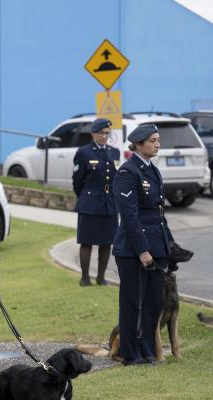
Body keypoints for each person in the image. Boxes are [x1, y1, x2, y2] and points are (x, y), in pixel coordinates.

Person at [112, 124, 174, 365]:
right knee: (132, 301)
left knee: (153, 302)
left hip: (156, 245)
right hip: (133, 249)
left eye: (158, 140)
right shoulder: (128, 172)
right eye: (153, 140)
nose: (158, 144)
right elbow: (129, 216)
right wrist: (142, 250)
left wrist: (167, 244)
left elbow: (159, 213)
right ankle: (130, 352)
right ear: (139, 144)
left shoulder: (153, 171)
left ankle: (148, 350)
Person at [72, 118, 121, 286]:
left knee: (106, 241)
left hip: (109, 204)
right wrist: (85, 196)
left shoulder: (114, 152)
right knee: (86, 241)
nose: (104, 136)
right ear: (93, 134)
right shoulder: (84, 152)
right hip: (90, 203)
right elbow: (77, 181)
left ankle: (101, 277)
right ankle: (85, 277)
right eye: (101, 133)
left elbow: (116, 179)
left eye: (107, 133)